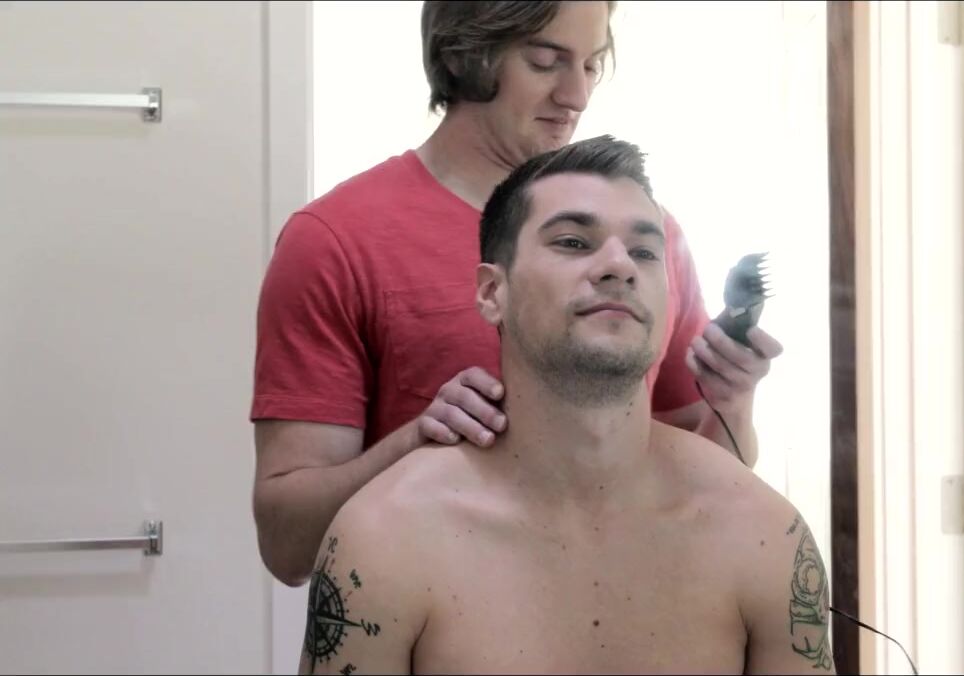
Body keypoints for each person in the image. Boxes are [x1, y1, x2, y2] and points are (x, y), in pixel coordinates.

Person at [251, 0, 783, 588]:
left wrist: (732, 404)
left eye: (592, 64)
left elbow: (700, 487)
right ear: (467, 55)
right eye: (546, 61)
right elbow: (287, 544)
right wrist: (414, 446)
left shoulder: (644, 242)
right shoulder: (335, 241)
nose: (577, 96)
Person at [297, 135, 832, 675]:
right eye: (574, 242)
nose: (620, 265)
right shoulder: (386, 539)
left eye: (645, 252)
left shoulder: (762, 535)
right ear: (491, 292)